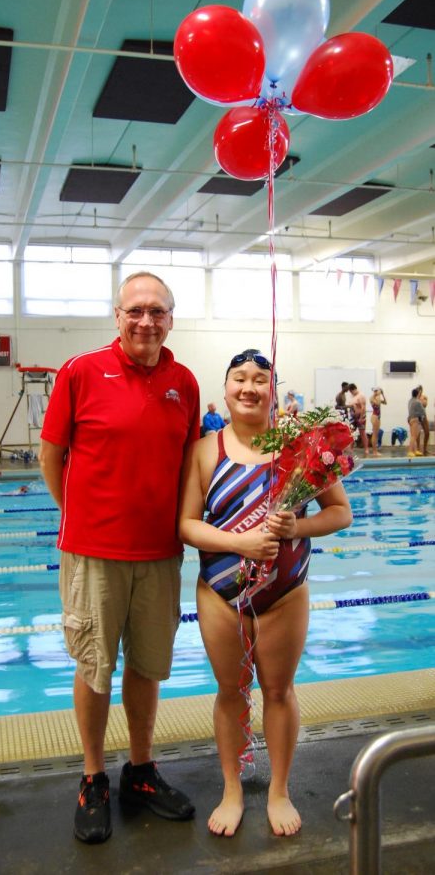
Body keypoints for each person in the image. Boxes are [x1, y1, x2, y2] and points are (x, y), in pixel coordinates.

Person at [39, 271, 200, 844]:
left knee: (148, 665)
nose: (146, 320)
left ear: (170, 320)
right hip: (94, 554)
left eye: (157, 311)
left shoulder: (185, 381)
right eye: (136, 310)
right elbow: (51, 455)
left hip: (160, 553)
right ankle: (92, 777)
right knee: (94, 665)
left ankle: (140, 770)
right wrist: (81, 517)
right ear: (117, 315)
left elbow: (187, 466)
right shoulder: (80, 372)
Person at [178, 349, 352, 839]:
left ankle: (278, 789)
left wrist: (300, 523)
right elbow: (187, 525)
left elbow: (341, 512)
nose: (250, 387)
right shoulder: (204, 449)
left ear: (274, 389)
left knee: (277, 691)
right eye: (240, 379)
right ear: (226, 387)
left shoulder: (300, 445)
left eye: (260, 379)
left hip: (285, 590)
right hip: (219, 591)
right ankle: (232, 789)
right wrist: (241, 543)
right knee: (231, 692)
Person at [347, 384, 369, 454]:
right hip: (353, 418)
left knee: (362, 433)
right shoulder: (352, 396)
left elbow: (363, 407)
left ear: (353, 389)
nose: (350, 393)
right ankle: (351, 448)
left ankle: (366, 449)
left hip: (360, 417)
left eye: (351, 391)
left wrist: (361, 418)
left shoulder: (361, 396)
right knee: (352, 433)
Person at [407, 386, 425, 457]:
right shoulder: (418, 402)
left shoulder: (410, 401)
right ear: (417, 394)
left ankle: (414, 451)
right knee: (414, 436)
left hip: (410, 419)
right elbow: (423, 412)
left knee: (413, 436)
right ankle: (410, 451)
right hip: (415, 420)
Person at [369, 388, 386, 457]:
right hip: (375, 417)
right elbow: (378, 403)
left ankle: (375, 451)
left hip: (378, 417)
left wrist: (383, 394)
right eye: (377, 391)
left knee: (376, 435)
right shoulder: (372, 398)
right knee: (375, 435)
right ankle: (374, 451)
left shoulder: (377, 397)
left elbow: (385, 402)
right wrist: (378, 395)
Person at [417, 385, 429, 455]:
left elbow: (425, 405)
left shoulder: (424, 397)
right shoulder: (415, 397)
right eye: (419, 390)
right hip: (417, 416)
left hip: (423, 415)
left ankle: (425, 448)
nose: (420, 391)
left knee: (427, 432)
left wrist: (422, 400)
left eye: (421, 390)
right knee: (418, 433)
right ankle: (418, 449)